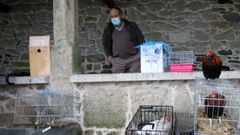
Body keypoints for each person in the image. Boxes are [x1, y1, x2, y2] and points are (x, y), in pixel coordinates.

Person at [102, 7, 145, 73]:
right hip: (117, 60)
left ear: (121, 16)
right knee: (117, 81)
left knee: (135, 79)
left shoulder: (131, 26)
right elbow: (105, 43)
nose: (114, 19)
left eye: (116, 16)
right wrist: (109, 56)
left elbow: (141, 39)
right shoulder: (108, 29)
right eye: (112, 17)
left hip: (134, 59)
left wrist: (140, 54)